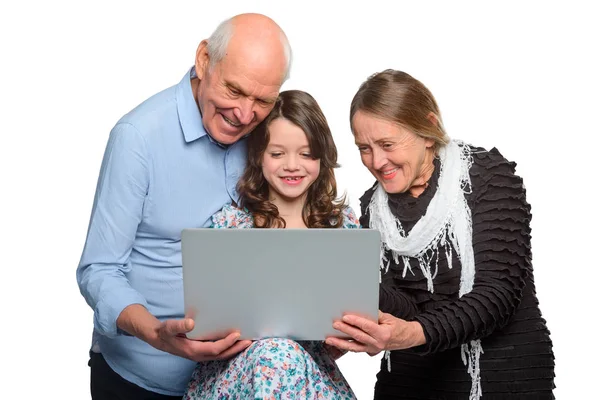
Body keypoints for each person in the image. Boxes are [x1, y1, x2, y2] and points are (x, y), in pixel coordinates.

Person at [76, 13, 291, 399]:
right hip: (143, 381)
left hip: (235, 382)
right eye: (234, 91)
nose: (244, 115)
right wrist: (157, 334)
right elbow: (99, 270)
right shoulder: (137, 139)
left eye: (262, 100)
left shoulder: (271, 134)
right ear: (204, 60)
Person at [325, 70, 555, 399]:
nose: (377, 161)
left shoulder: (487, 176)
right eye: (364, 148)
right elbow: (406, 307)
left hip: (503, 377)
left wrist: (409, 334)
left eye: (387, 144)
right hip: (412, 380)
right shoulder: (372, 208)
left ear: (429, 131)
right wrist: (349, 286)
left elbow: (496, 296)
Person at [184, 89, 359, 399]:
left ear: (322, 155)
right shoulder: (229, 224)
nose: (292, 165)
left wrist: (341, 335)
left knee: (282, 354)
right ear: (258, 156)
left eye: (306, 154)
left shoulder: (341, 225)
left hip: (308, 373)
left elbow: (345, 335)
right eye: (277, 154)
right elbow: (203, 320)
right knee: (275, 354)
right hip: (236, 371)